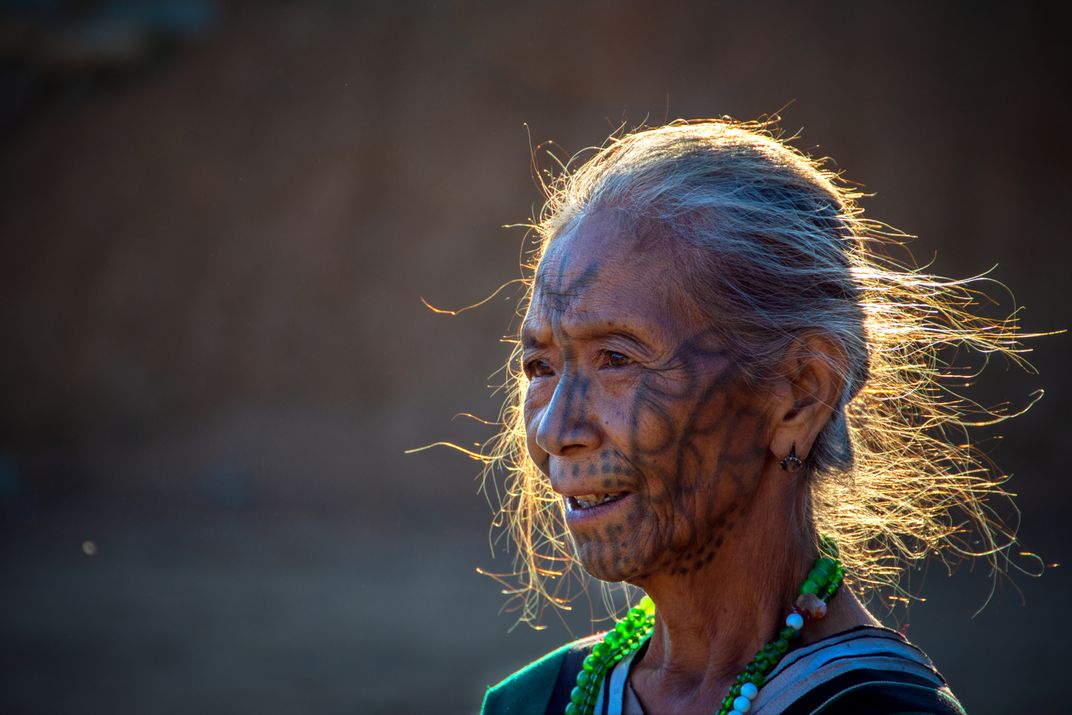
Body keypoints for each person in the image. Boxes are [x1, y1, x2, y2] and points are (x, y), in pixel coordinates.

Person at [477, 119, 1034, 714]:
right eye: (540, 367)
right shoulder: (534, 703)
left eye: (616, 359)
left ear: (800, 395)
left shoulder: (879, 709)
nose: (554, 432)